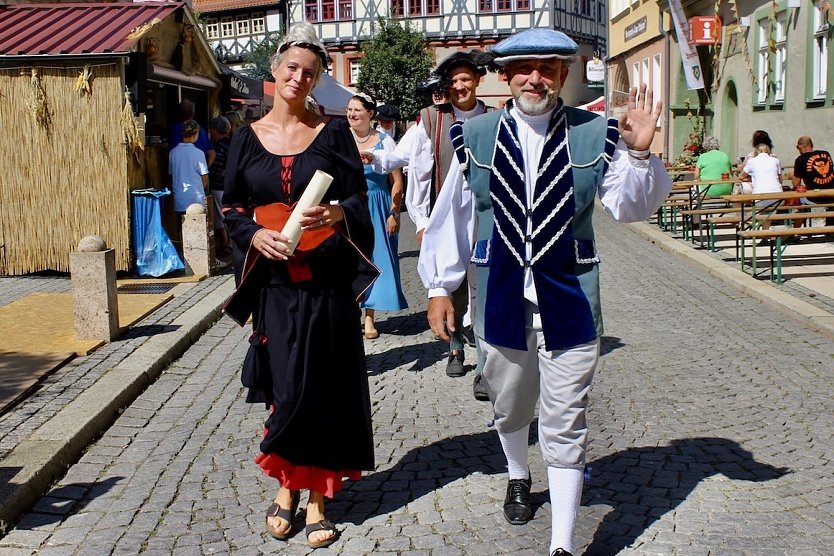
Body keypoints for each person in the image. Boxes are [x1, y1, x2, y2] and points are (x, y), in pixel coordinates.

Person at [418, 28, 672, 556]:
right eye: (525, 68)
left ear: (563, 75)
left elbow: (629, 206)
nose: (537, 77)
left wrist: (642, 155)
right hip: (501, 296)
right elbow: (454, 217)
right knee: (511, 407)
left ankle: (562, 545)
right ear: (506, 76)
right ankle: (517, 472)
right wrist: (441, 286)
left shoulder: (592, 132)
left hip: (571, 297)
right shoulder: (478, 136)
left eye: (549, 68)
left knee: (565, 420)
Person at [221, 22, 375, 550]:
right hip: (276, 291)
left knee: (323, 388)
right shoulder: (245, 139)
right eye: (292, 67)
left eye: (309, 73)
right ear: (275, 69)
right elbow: (231, 208)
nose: (299, 78)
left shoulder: (333, 135)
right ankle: (287, 487)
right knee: (286, 389)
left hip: (326, 288)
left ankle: (316, 500)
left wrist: (337, 212)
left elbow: (357, 200)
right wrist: (255, 233)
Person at [364, 50, 491, 397]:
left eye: (466, 79)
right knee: (451, 287)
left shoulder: (495, 119)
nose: (460, 86)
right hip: (444, 219)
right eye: (454, 81)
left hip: (484, 217)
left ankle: (484, 364)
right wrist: (419, 218)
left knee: (484, 288)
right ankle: (455, 348)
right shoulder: (431, 121)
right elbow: (408, 163)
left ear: (478, 81)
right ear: (447, 86)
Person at [347, 93, 408, 338]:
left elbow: (396, 181)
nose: (351, 114)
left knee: (377, 260)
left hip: (378, 204)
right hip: (349, 207)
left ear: (370, 114)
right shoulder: (341, 140)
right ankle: (350, 312)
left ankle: (369, 317)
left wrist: (395, 213)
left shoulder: (385, 142)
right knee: (350, 261)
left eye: (357, 110)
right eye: (349, 109)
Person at [168, 119, 209, 216]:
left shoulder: (173, 153)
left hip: (179, 199)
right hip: (196, 200)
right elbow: (205, 179)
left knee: (180, 229)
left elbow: (171, 174)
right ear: (195, 134)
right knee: (198, 229)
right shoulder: (198, 153)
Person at [740, 143, 782, 231]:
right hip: (777, 196)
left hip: (759, 196)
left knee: (760, 210)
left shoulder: (752, 161)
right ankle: (764, 233)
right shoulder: (776, 160)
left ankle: (756, 227)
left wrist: (752, 179)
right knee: (767, 212)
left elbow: (741, 176)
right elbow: (780, 180)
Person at [793, 135, 834, 226]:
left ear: (801, 147)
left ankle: (794, 231)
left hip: (813, 196)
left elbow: (796, 183)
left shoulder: (800, 160)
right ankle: (830, 228)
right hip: (831, 194)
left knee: (799, 202)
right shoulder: (826, 154)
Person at [208, 116, 232, 256]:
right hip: (226, 185)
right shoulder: (231, 142)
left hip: (219, 185)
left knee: (221, 214)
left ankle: (227, 243)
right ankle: (226, 243)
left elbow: (218, 164)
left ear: (216, 130)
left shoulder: (219, 145)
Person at [169, 99, 216, 166]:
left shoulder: (174, 129)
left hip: (179, 174)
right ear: (193, 114)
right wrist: (204, 169)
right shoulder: (201, 130)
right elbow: (212, 154)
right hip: (198, 174)